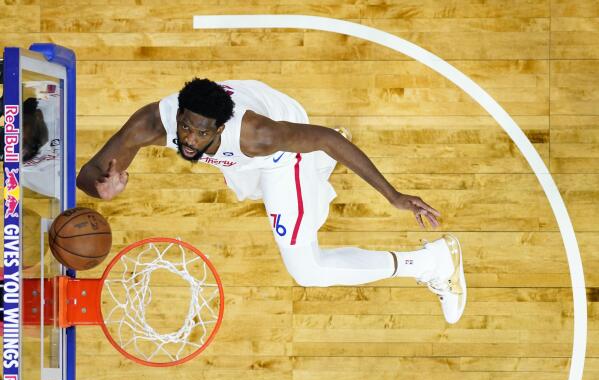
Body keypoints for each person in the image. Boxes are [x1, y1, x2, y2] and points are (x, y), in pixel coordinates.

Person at [76, 78, 466, 323]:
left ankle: (432, 262)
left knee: (307, 268)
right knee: (257, 193)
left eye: (200, 133)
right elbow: (90, 174)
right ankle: (315, 169)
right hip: (250, 158)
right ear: (177, 113)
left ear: (221, 128)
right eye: (185, 126)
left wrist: (394, 196)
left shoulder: (256, 136)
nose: (189, 140)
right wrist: (103, 189)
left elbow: (331, 139)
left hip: (279, 153)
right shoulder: (153, 122)